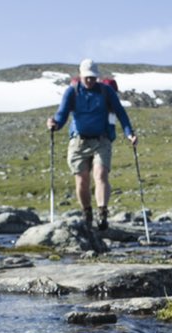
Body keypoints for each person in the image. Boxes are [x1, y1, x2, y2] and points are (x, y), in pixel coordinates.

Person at [46, 59, 137, 231]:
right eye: (87, 77)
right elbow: (62, 115)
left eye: (93, 78)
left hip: (101, 140)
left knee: (101, 174)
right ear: (80, 76)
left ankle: (102, 214)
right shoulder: (71, 92)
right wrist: (55, 125)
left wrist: (129, 133)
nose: (90, 81)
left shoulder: (106, 91)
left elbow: (121, 113)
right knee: (82, 180)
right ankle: (87, 213)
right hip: (78, 142)